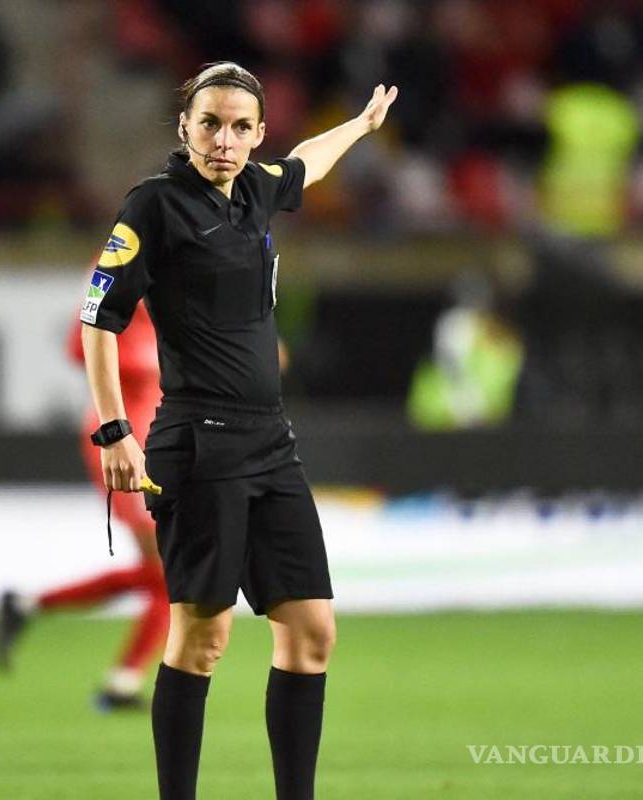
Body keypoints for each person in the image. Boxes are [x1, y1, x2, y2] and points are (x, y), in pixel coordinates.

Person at [78, 62, 397, 800]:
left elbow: (305, 163)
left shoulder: (255, 188)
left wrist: (359, 126)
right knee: (202, 640)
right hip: (199, 445)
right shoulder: (154, 206)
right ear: (184, 126)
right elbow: (98, 319)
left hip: (270, 445)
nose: (224, 140)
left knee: (312, 633)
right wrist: (115, 430)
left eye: (240, 127)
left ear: (257, 135)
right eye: (211, 124)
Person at [0, 299, 169, 711]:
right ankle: (122, 680)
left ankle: (29, 606)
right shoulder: (119, 285)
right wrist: (127, 358)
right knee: (169, 573)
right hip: (123, 448)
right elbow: (80, 344)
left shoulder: (165, 309)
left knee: (165, 574)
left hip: (156, 445)